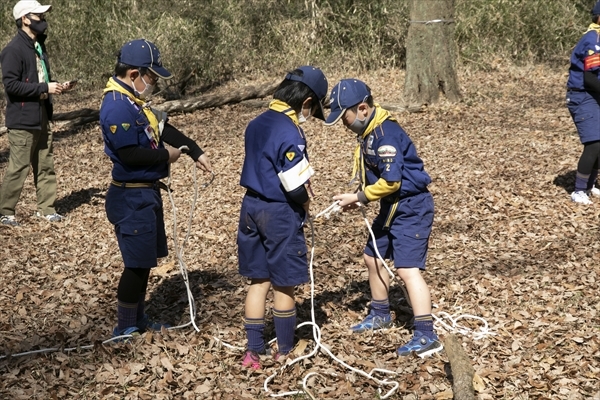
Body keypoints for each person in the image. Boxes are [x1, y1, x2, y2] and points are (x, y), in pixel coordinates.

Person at [99, 39, 212, 338]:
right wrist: (167, 155)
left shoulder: (133, 102)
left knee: (145, 261)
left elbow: (162, 128)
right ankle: (125, 327)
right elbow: (129, 154)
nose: (153, 83)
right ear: (134, 74)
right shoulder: (116, 107)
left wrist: (194, 151)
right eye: (151, 77)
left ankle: (137, 318)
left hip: (145, 193)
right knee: (135, 266)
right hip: (130, 196)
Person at [325, 79, 443, 358]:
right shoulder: (369, 132)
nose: (343, 122)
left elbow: (391, 182)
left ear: (363, 109)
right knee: (372, 257)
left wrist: (359, 197)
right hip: (390, 207)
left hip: (411, 207)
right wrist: (361, 195)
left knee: (407, 269)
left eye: (345, 116)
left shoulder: (385, 135)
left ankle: (427, 334)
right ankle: (380, 313)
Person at [237, 66, 328, 369]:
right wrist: (305, 203)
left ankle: (253, 350)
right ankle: (285, 349)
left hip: (250, 207)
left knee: (258, 281)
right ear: (306, 103)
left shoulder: (256, 122)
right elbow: (294, 184)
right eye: (312, 110)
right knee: (284, 284)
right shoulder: (290, 132)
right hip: (279, 213)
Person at [0, 0, 77, 226]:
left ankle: (47, 209)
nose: (43, 21)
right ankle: (5, 212)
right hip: (22, 120)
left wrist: (56, 86)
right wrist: (45, 88)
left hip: (42, 114)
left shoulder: (38, 46)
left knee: (45, 164)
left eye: (43, 17)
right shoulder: (13, 50)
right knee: (19, 167)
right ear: (25, 19)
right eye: (39, 16)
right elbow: (11, 86)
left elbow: (37, 80)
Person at [566, 1, 600, 205]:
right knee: (594, 142)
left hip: (595, 95)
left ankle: (590, 185)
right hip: (582, 95)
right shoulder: (592, 40)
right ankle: (578, 191)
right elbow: (589, 78)